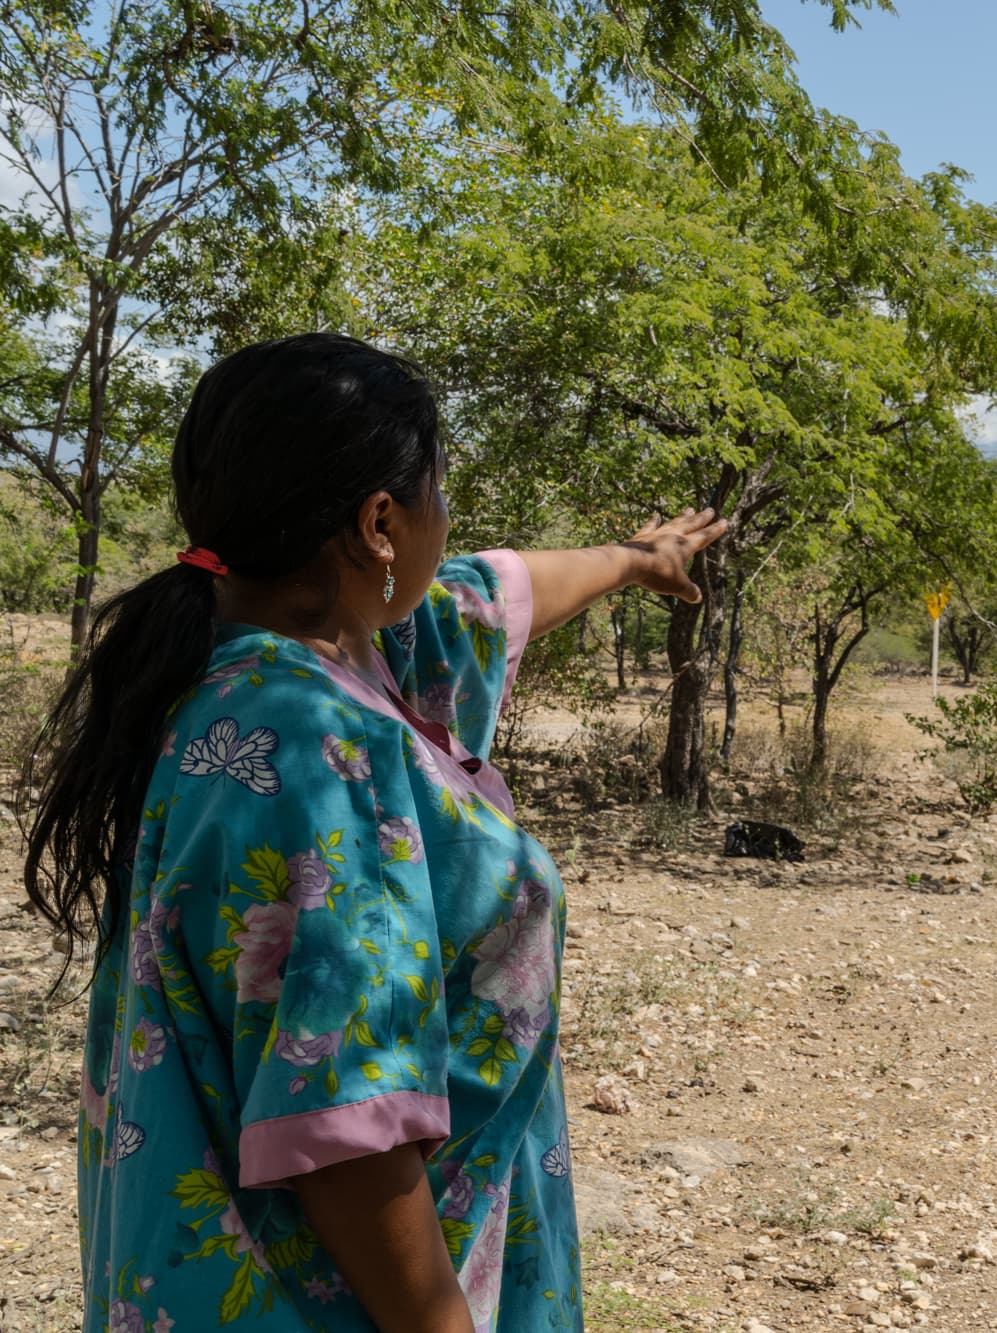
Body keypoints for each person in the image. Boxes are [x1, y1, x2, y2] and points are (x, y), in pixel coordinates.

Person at [21, 333, 726, 1333]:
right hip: (326, 1294)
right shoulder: (307, 745)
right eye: (440, 492)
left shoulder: (303, 649)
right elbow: (344, 1130)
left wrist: (629, 560)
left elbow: (499, 588)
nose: (452, 525)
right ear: (379, 521)